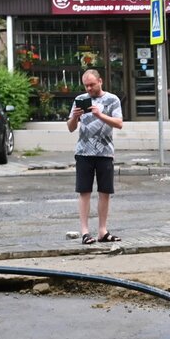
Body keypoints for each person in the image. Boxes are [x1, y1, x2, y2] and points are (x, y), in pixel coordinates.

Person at [68, 69, 124, 244]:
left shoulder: (112, 99)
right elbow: (70, 128)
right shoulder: (80, 100)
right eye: (86, 85)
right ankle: (85, 232)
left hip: (105, 152)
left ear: (100, 81)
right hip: (83, 152)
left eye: (92, 84)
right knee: (84, 191)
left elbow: (119, 123)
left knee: (104, 192)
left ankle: (102, 231)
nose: (89, 88)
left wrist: (100, 115)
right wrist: (75, 117)